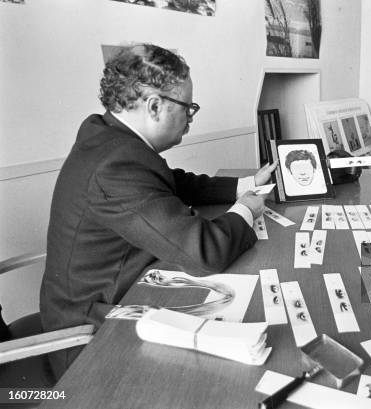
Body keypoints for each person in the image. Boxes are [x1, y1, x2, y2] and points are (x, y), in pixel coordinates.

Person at [40, 44, 277, 376]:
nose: (191, 118)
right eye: (188, 107)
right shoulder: (117, 164)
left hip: (118, 293)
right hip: (88, 337)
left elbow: (167, 181)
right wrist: (247, 210)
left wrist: (244, 184)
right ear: (154, 106)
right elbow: (203, 252)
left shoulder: (108, 135)